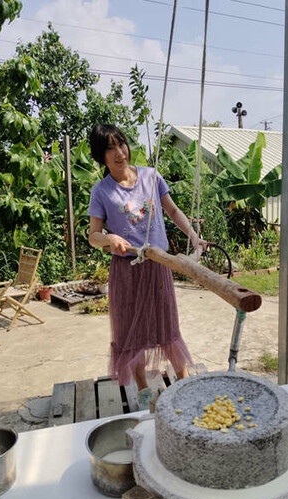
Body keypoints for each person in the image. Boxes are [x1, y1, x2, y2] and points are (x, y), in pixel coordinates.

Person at [87, 124, 207, 410]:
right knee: (130, 331)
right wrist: (109, 238)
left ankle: (183, 379)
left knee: (167, 326)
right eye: (110, 148)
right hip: (126, 271)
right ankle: (143, 390)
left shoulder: (151, 177)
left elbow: (173, 211)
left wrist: (193, 235)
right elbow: (92, 236)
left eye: (121, 144)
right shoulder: (101, 192)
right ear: (100, 156)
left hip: (158, 265)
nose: (119, 153)